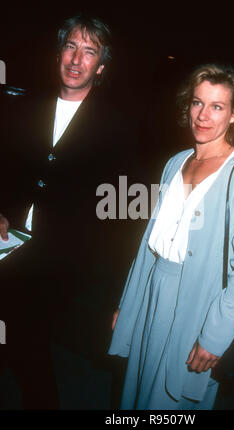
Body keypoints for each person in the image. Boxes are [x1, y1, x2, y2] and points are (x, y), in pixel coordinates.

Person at [108, 63, 234, 410]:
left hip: (197, 302)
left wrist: (216, 336)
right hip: (152, 289)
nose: (203, 115)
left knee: (172, 401)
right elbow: (148, 244)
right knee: (137, 395)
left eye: (217, 106)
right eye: (198, 103)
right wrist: (128, 302)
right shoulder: (176, 161)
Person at [0, 13, 137, 409]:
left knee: (25, 333)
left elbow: (122, 215)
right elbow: (8, 170)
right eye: (70, 47)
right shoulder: (25, 106)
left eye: (89, 51)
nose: (76, 59)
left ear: (102, 66)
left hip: (64, 261)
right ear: (58, 53)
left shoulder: (118, 128)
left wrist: (120, 296)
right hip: (13, 241)